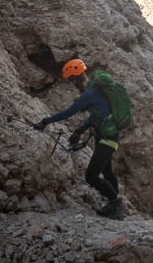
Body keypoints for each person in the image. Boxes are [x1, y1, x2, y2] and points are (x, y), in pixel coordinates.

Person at [32, 58, 124, 220]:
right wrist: (79, 132)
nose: (72, 84)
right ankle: (114, 205)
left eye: (72, 80)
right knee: (107, 171)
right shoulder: (95, 90)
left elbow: (68, 112)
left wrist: (45, 121)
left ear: (76, 77)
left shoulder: (88, 94)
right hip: (109, 135)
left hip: (106, 137)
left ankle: (116, 203)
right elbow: (95, 118)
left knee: (91, 176)